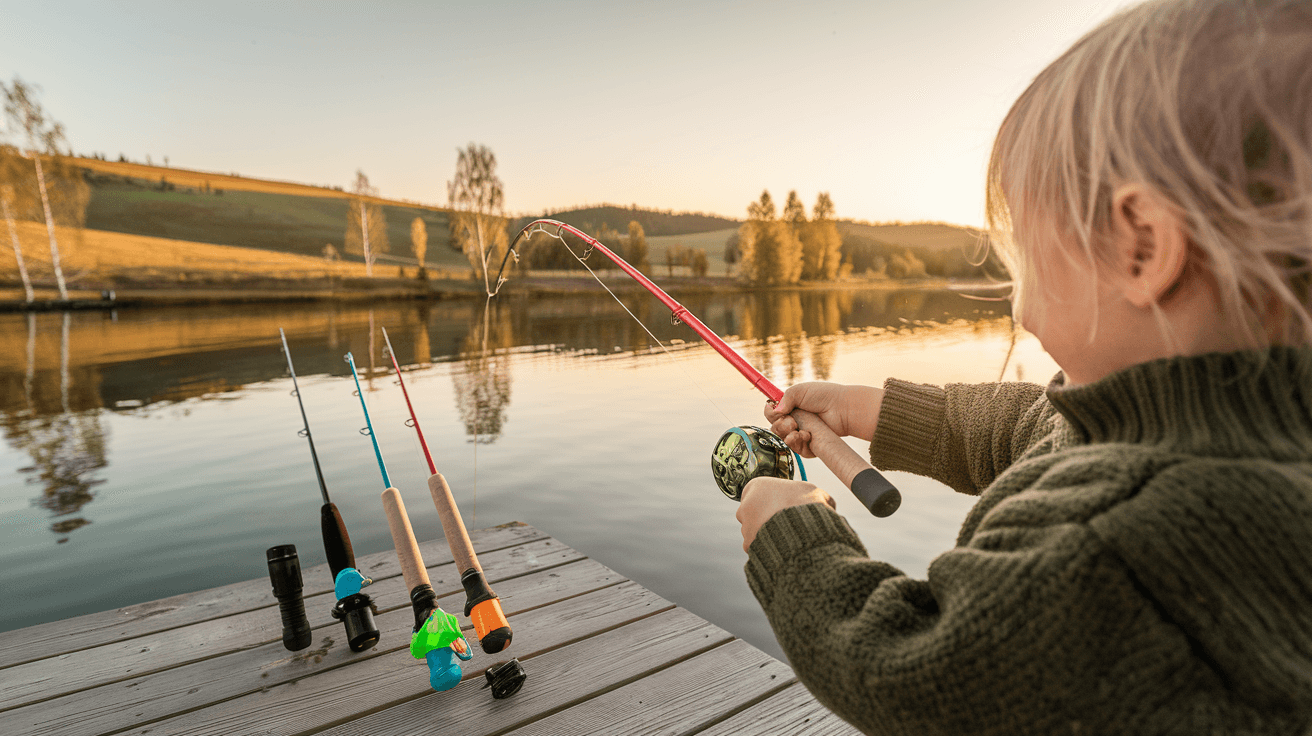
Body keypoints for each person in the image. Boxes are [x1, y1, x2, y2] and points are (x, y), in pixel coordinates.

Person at [737, 1, 1312, 733]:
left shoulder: (1113, 538)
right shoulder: (1221, 429)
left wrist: (793, 542)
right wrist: (865, 409)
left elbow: (913, 669)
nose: (1019, 302)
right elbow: (1030, 427)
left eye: (1028, 257)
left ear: (1141, 247)